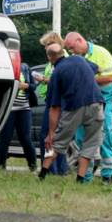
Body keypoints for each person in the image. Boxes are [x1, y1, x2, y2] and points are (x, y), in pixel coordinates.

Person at [39, 43, 104, 183]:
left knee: (56, 142)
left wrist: (50, 134)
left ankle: (42, 175)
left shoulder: (56, 73)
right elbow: (98, 68)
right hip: (96, 103)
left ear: (50, 57)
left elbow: (54, 108)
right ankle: (80, 179)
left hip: (74, 107)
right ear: (63, 52)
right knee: (91, 144)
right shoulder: (79, 59)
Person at [64, 32, 112, 183]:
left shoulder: (101, 53)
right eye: (69, 49)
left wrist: (87, 79)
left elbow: (111, 77)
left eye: (73, 48)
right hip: (83, 102)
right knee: (82, 138)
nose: (71, 52)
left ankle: (108, 174)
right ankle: (85, 175)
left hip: (104, 101)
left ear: (80, 40)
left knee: (106, 134)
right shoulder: (74, 58)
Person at [0, 59, 37, 170]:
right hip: (9, 109)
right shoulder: (4, 69)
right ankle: (0, 166)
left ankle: (33, 166)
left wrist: (25, 86)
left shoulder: (25, 68)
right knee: (5, 138)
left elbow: (33, 86)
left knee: (25, 138)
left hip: (24, 108)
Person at [31, 31, 63, 173]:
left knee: (49, 136)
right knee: (54, 136)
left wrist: (43, 79)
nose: (45, 48)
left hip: (56, 101)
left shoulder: (61, 59)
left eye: (47, 45)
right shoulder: (52, 61)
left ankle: (52, 169)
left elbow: (59, 80)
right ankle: (58, 169)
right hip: (50, 99)